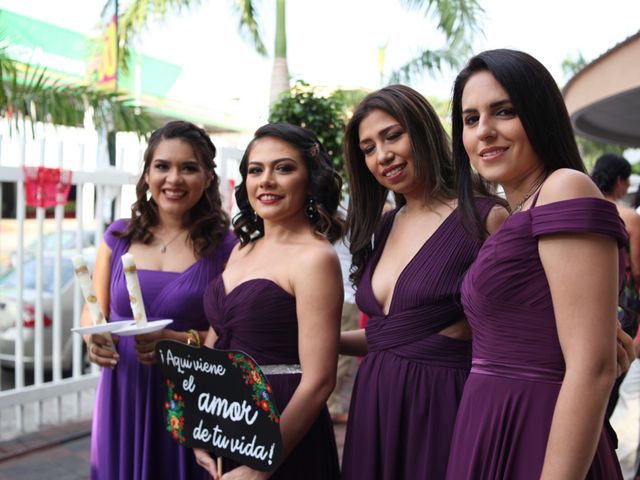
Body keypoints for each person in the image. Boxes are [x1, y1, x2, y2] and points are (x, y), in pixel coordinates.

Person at [446, 48, 626, 479]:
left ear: (540, 114)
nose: (484, 131)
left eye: (503, 112)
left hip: (538, 425)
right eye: (470, 120)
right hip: (488, 418)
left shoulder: (565, 187)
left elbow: (593, 366)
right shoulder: (519, 211)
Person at [339, 84, 507, 479]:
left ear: (426, 131)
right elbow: (394, 336)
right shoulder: (384, 225)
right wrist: (318, 341)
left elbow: (514, 332)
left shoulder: (485, 218)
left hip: (443, 404)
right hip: (374, 401)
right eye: (368, 148)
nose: (383, 155)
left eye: (392, 135)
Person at [81, 120, 236, 480]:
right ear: (147, 173)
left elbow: (228, 336)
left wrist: (177, 342)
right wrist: (93, 339)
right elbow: (93, 312)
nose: (174, 179)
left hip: (188, 394)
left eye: (189, 168)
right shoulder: (117, 236)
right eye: (163, 166)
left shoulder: (227, 248)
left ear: (208, 176)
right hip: (123, 390)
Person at [194, 123, 344, 479]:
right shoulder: (242, 248)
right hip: (226, 420)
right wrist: (200, 424)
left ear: (310, 179)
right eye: (255, 170)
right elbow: (217, 341)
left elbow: (320, 380)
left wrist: (262, 466)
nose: (266, 180)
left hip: (284, 430)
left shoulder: (315, 258)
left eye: (284, 168)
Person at [591, 153, 640, 419]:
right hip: (622, 304)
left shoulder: (578, 204)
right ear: (619, 181)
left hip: (584, 301)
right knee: (611, 375)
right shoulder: (629, 216)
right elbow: (639, 269)